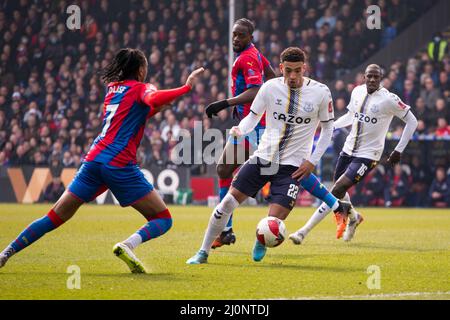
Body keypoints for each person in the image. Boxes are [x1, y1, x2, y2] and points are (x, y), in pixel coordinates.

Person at [0, 48, 204, 272]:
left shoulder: (112, 90)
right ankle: (127, 245)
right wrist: (186, 87)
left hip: (94, 160)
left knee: (54, 216)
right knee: (163, 219)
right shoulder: (142, 88)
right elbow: (152, 97)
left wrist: (154, 110)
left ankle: (7, 252)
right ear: (140, 69)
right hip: (119, 163)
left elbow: (126, 118)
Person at [187, 47, 350, 264]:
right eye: (288, 71)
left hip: (292, 167)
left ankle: (262, 239)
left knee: (274, 221)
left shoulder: (321, 92)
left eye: (298, 71)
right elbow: (252, 118)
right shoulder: (269, 88)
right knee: (225, 205)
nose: (292, 76)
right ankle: (203, 252)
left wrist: (312, 160)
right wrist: (240, 130)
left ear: (305, 68)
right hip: (263, 158)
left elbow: (328, 129)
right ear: (281, 68)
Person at [289, 64, 418, 244]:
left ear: (381, 78)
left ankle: (303, 232)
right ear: (364, 77)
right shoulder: (357, 91)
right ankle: (355, 217)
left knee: (336, 190)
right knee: (339, 190)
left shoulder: (389, 99)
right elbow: (350, 117)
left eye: (376, 77)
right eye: (369, 76)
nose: (372, 80)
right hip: (348, 149)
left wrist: (399, 149)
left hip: (369, 155)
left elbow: (412, 121)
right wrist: (331, 126)